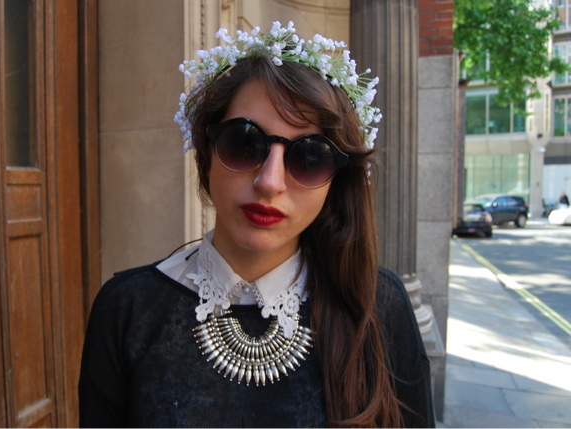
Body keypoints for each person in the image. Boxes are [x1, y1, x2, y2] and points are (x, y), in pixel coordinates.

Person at [79, 21, 434, 427]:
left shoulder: (378, 307)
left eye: (310, 157)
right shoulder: (126, 310)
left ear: (335, 181)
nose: (270, 182)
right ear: (207, 155)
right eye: (244, 143)